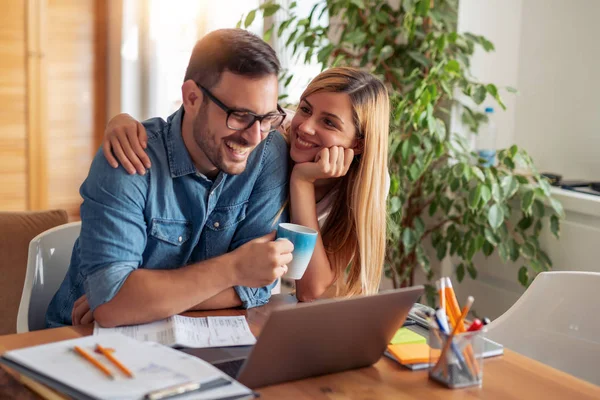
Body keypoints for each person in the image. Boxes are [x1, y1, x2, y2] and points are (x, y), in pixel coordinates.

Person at [45, 28, 293, 328]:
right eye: (239, 116)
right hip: (81, 342)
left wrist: (136, 302)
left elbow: (259, 284)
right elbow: (112, 305)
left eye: (267, 118)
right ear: (191, 98)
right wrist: (235, 268)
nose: (255, 136)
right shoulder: (129, 157)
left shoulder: (268, 153)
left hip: (201, 342)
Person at [103, 66, 390, 301]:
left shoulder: (365, 187)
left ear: (359, 144)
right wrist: (120, 121)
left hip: (245, 303)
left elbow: (312, 290)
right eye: (305, 108)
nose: (305, 127)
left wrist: (301, 182)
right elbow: (187, 127)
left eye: (329, 123)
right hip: (202, 284)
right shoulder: (265, 133)